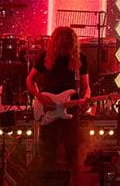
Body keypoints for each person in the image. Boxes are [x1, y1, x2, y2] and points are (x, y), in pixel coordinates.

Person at [26, 26, 90, 183]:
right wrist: (39, 96)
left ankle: (73, 181)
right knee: (47, 151)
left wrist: (86, 98)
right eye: (61, 44)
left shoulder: (80, 58)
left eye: (67, 44)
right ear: (55, 43)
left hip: (71, 110)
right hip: (48, 108)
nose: (64, 48)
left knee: (72, 151)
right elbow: (29, 80)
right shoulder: (45, 57)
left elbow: (86, 86)